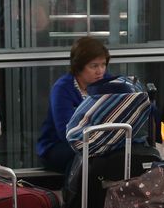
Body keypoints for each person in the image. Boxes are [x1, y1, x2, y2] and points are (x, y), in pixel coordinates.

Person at [36, 36, 110, 176]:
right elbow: (65, 132)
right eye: (94, 66)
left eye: (103, 65)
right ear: (78, 67)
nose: (100, 71)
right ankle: (74, 191)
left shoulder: (107, 82)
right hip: (58, 145)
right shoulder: (62, 88)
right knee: (83, 157)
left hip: (97, 142)